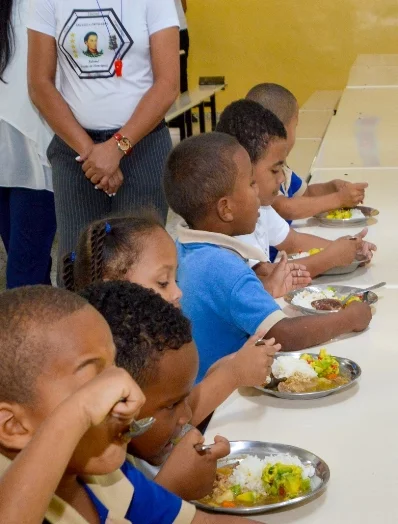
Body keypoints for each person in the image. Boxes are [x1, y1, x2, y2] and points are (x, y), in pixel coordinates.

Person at [0, 285, 266, 524]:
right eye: (93, 383)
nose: (123, 388)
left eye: (115, 368)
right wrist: (77, 413)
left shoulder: (104, 476)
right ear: (13, 426)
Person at [163, 133, 372, 381]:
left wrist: (265, 288)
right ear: (226, 209)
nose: (258, 192)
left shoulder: (186, 247)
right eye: (251, 184)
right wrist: (348, 319)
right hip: (220, 407)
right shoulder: (222, 265)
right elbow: (283, 335)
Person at [63, 214, 280, 427]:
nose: (178, 293)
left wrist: (220, 370)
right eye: (163, 282)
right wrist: (231, 375)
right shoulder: (124, 357)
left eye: (175, 279)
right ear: (113, 286)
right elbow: (171, 429)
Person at [27, 0, 181, 283]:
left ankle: (139, 329)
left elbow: (168, 83)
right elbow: (39, 84)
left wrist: (117, 147)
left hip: (143, 146)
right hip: (75, 152)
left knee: (142, 265)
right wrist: (92, 154)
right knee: (78, 266)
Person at [216, 99, 377, 278]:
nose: (282, 178)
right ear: (245, 167)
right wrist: (330, 258)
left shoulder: (260, 206)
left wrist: (347, 247)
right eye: (275, 170)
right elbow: (265, 277)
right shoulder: (235, 219)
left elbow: (292, 241)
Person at [245, 83, 368, 219]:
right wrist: (338, 199)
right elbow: (284, 207)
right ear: (281, 130)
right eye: (295, 126)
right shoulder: (257, 167)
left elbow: (306, 192)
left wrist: (332, 187)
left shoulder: (281, 167)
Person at [0, 0, 56, 288]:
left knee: (24, 274)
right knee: (25, 269)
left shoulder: (40, 6)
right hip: (13, 153)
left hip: (37, 153)